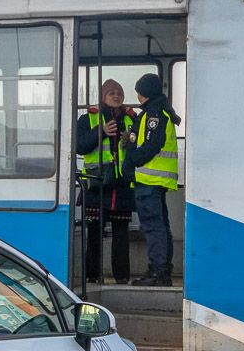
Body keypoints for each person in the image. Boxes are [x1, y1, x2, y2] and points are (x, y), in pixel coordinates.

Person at [122, 73, 181, 287]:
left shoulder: (153, 114)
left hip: (149, 180)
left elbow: (149, 146)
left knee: (153, 227)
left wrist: (132, 159)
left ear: (143, 93)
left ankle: (158, 272)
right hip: (155, 182)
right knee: (161, 226)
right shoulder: (159, 111)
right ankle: (161, 270)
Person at [76, 79, 136, 284]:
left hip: (122, 184)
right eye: (111, 93)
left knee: (121, 233)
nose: (117, 96)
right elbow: (79, 146)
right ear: (103, 96)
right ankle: (92, 275)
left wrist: (130, 142)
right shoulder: (88, 119)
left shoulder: (131, 120)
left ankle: (122, 277)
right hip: (96, 182)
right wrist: (101, 132)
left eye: (119, 92)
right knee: (93, 232)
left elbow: (139, 149)